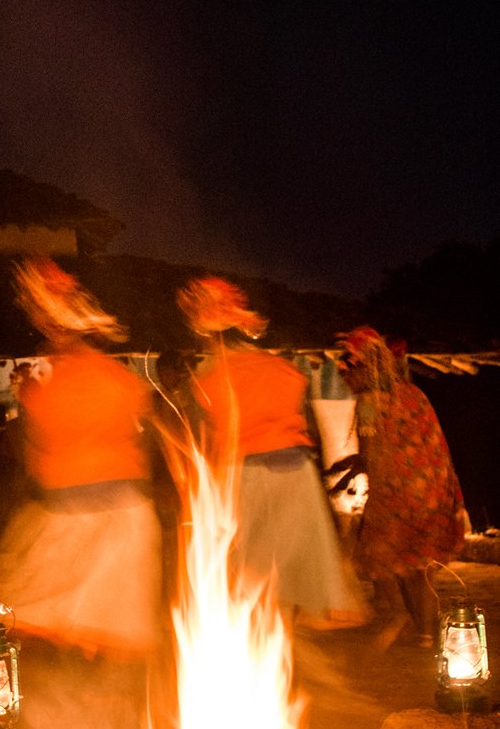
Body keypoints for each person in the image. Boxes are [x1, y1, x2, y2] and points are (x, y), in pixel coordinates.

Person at [0, 258, 164, 665]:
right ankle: (74, 703)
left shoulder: (74, 380)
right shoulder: (101, 378)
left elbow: (30, 454)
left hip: (105, 512)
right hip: (89, 510)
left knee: (83, 626)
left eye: (53, 316)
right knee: (76, 626)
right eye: (43, 314)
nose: (50, 325)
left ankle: (88, 704)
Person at [177, 276, 369, 633]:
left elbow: (201, 439)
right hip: (296, 476)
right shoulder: (284, 369)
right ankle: (280, 653)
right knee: (289, 573)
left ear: (206, 331)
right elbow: (303, 429)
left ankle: (261, 653)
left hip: (243, 479)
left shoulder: (207, 375)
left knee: (249, 577)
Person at [334, 325, 468, 646]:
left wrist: (357, 472)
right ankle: (425, 630)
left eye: (351, 362)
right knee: (418, 565)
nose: (347, 369)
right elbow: (434, 444)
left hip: (397, 493)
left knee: (402, 564)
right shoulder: (413, 394)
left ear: (366, 363)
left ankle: (420, 627)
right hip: (429, 489)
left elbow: (373, 450)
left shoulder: (370, 401)